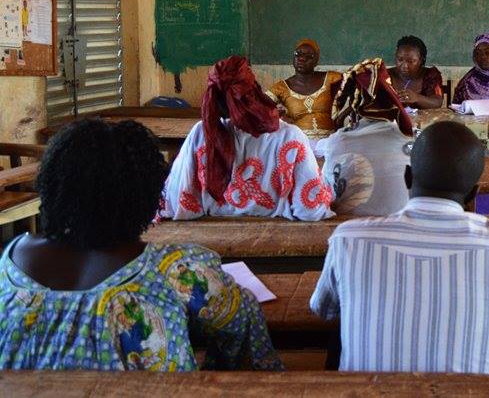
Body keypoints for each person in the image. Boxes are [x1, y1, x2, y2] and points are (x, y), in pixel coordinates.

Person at [310, 120, 489, 397]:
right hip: (471, 392)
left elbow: (323, 309)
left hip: (371, 391)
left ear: (408, 177)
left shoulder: (349, 238)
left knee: (346, 320)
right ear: (473, 192)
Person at [0, 118, 282, 371]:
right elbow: (241, 323)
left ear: (52, 185)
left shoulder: (11, 260)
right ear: (147, 194)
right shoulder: (175, 271)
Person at [161, 55, 335, 221]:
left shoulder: (201, 133)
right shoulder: (289, 136)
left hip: (208, 235)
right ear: (254, 90)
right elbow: (310, 210)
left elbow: (177, 201)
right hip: (274, 234)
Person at [319, 58, 415, 216]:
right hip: (401, 222)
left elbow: (326, 193)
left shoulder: (339, 141)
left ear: (353, 104)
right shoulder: (407, 137)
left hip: (350, 225)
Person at [266, 38, 343, 145]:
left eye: (309, 56)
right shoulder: (281, 87)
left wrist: (343, 118)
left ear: (316, 61)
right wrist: (281, 119)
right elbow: (260, 106)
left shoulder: (331, 78)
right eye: (298, 54)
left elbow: (356, 86)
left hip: (331, 142)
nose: (302, 58)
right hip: (300, 145)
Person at [387, 35, 444, 109]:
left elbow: (437, 102)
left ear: (421, 60)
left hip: (423, 117)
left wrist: (417, 98)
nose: (404, 66)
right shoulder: (386, 75)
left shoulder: (431, 75)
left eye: (411, 61)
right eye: (400, 59)